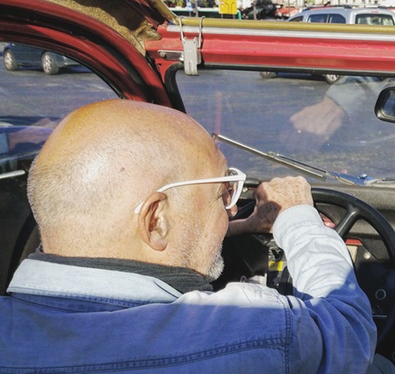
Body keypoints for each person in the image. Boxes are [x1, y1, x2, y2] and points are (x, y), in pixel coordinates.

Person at [0, 99, 376, 373]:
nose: (232, 208)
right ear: (156, 221)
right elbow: (347, 330)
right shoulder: (257, 329)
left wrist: (231, 228)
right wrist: (296, 218)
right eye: (222, 193)